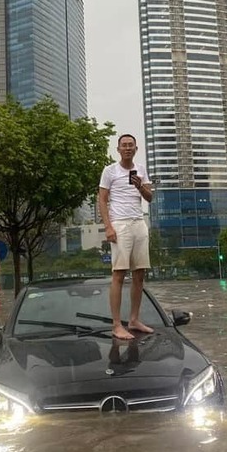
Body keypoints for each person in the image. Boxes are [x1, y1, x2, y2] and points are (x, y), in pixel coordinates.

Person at [98, 134, 153, 340]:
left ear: (136, 149)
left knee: (139, 273)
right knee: (119, 273)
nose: (128, 148)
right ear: (118, 149)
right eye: (124, 145)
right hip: (120, 224)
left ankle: (134, 319)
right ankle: (116, 324)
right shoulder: (109, 171)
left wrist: (140, 185)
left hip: (139, 222)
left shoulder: (141, 169)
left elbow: (150, 197)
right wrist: (108, 227)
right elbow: (102, 200)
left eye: (131, 145)